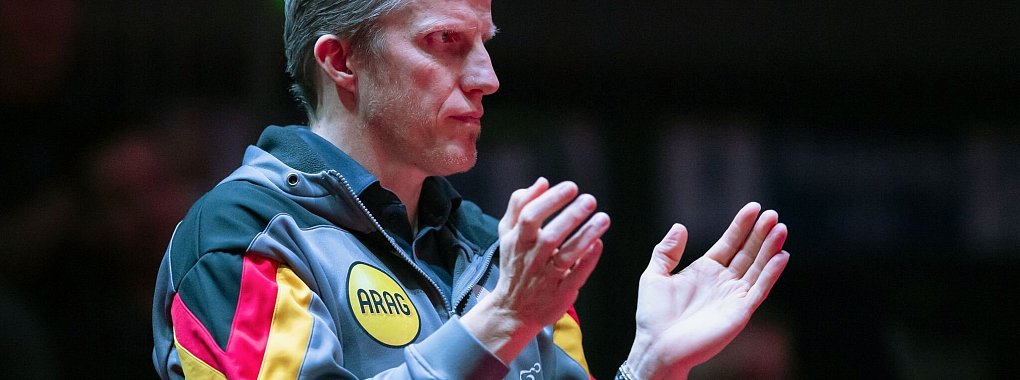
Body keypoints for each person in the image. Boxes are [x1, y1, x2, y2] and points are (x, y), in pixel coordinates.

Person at [151, 0, 791, 378]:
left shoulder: (501, 256)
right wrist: (500, 322)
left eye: (483, 43)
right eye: (446, 42)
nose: (486, 77)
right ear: (342, 62)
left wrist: (648, 365)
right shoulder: (244, 238)